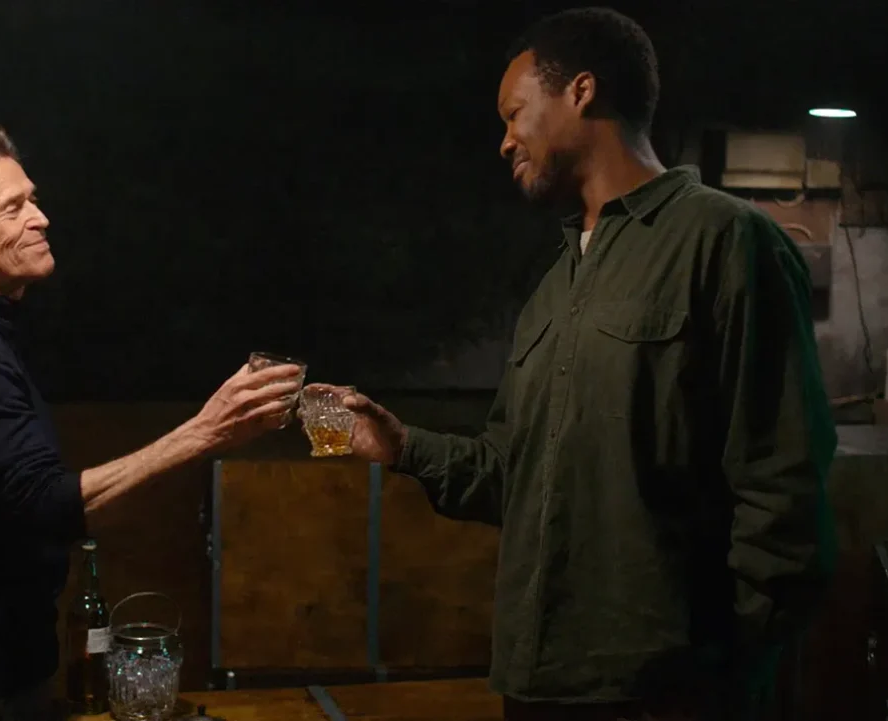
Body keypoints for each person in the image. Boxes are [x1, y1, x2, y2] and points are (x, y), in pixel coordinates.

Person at [333, 8, 837, 721]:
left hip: (663, 693)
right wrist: (403, 446)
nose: (505, 140)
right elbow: (514, 472)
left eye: (514, 113)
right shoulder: (556, 285)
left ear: (581, 90)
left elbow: (784, 485)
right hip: (538, 683)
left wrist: (724, 670)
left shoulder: (725, 241)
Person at [0, 123, 302, 721]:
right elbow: (44, 506)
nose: (41, 218)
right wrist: (206, 431)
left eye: (33, 199)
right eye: (13, 208)